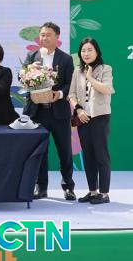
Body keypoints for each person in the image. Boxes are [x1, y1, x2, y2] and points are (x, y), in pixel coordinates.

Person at [23, 22, 75, 200]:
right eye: (42, 35)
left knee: (64, 152)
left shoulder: (65, 59)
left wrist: (58, 94)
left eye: (48, 35)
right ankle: (41, 187)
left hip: (59, 112)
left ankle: (68, 187)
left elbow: (70, 83)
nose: (44, 38)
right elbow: (23, 80)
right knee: (40, 152)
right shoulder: (31, 56)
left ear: (57, 37)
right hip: (37, 112)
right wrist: (29, 73)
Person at [69, 37, 114, 205]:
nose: (86, 53)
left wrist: (90, 77)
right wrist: (78, 110)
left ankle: (104, 193)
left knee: (101, 155)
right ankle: (93, 191)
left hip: (100, 117)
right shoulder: (77, 71)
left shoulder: (105, 69)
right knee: (88, 156)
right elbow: (71, 94)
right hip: (83, 118)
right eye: (83, 50)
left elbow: (107, 89)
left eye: (90, 50)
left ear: (97, 52)